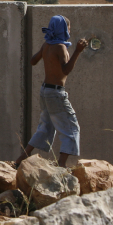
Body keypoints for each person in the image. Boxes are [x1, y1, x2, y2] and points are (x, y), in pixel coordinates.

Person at [16, 15, 87, 168]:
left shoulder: (47, 45)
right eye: (68, 28)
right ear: (62, 29)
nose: (69, 30)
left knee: (45, 126)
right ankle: (61, 164)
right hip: (56, 93)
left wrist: (45, 53)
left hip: (45, 91)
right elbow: (66, 70)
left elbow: (33, 61)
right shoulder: (60, 47)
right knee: (72, 128)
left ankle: (22, 158)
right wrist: (78, 51)